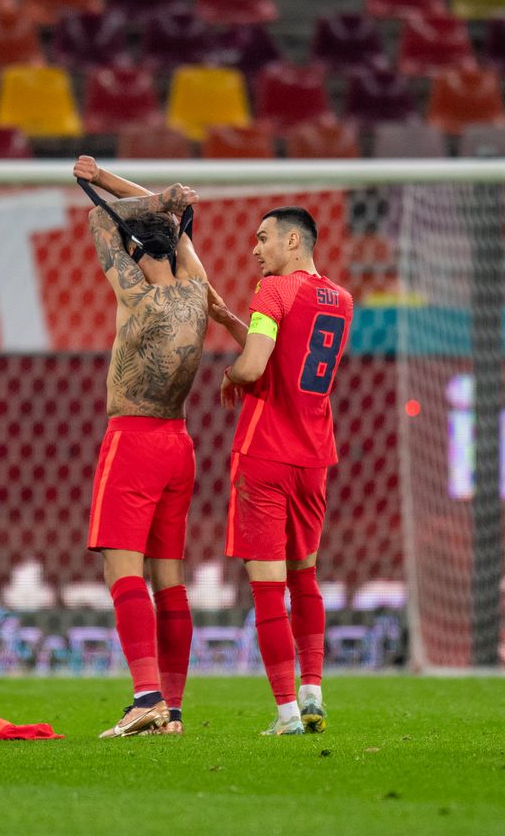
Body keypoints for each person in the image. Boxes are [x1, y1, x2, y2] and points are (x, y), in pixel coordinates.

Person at [72, 156, 209, 739]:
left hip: (132, 440)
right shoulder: (199, 292)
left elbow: (99, 224)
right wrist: (118, 186)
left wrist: (98, 185)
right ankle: (171, 712)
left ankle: (145, 697)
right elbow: (172, 218)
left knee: (121, 569)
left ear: (135, 254)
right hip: (180, 443)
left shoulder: (135, 296)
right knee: (169, 577)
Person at [209, 207, 353, 736]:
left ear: (294, 240)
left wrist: (230, 374)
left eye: (263, 238)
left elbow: (254, 365)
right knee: (305, 577)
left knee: (268, 588)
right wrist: (229, 322)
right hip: (314, 456)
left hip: (266, 453)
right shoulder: (341, 299)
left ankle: (287, 713)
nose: (255, 250)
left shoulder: (272, 291)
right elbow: (286, 351)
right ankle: (313, 691)